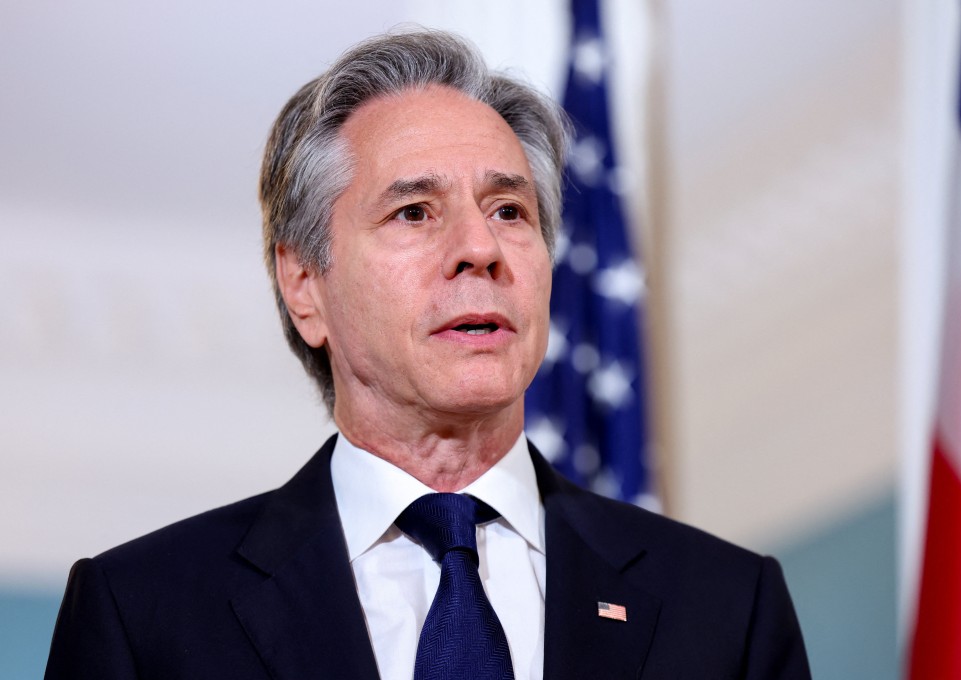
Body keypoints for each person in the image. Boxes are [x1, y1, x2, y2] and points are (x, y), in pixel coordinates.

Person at [45, 29, 811, 679]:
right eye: (415, 211)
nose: (480, 248)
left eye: (509, 210)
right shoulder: (144, 616)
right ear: (304, 282)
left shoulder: (725, 607)